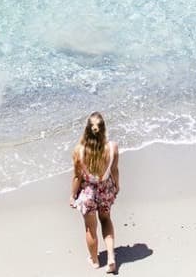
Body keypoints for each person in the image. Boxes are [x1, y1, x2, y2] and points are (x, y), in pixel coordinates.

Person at [70, 112, 120, 273]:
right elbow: (114, 170)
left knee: (90, 228)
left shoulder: (79, 151)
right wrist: (117, 185)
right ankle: (111, 257)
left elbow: (77, 177)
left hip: (88, 192)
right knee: (106, 220)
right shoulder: (112, 147)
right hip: (105, 189)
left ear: (87, 130)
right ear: (103, 129)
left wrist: (72, 195)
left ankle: (95, 260)